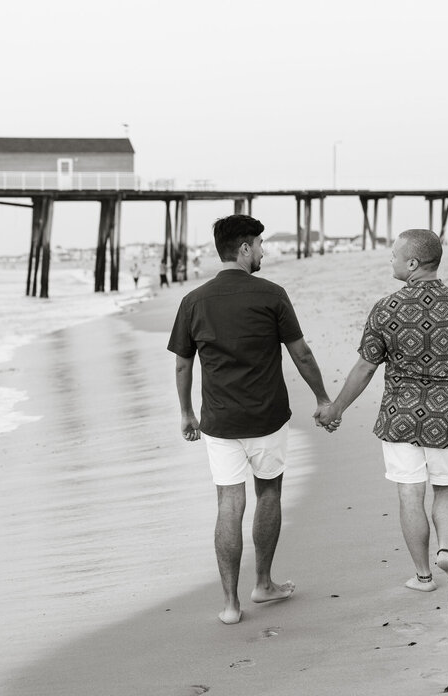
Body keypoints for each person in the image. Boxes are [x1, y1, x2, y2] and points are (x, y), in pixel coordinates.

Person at [319, 229, 448, 592]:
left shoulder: (387, 308)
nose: (389, 261)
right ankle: (446, 550)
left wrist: (337, 408)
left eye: (393, 255)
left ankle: (423, 576)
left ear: (412, 263)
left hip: (399, 418)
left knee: (410, 493)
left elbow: (365, 368)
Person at [169, 215, 333, 624]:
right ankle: (262, 583)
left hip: (220, 422)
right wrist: (323, 397)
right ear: (243, 249)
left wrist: (187, 412)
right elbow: (302, 354)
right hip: (267, 417)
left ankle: (230, 604)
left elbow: (182, 366)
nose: (263, 251)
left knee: (229, 502)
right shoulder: (271, 295)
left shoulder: (194, 301)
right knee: (269, 495)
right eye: (259, 244)